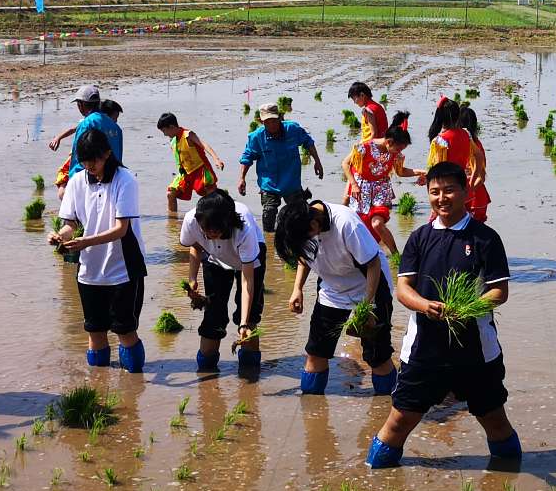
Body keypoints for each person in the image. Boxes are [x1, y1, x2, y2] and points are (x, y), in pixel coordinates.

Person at [368, 160, 520, 467]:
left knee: (494, 420)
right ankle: (375, 475)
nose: (442, 198)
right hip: (424, 349)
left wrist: (467, 309)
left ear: (466, 192)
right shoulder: (419, 238)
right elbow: (403, 289)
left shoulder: (485, 239)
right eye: (435, 192)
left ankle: (508, 481)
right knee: (399, 421)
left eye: (449, 190)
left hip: (476, 350)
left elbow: (499, 292)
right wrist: (425, 306)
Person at [274, 191, 396, 396]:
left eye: (307, 237)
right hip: (332, 290)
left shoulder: (347, 224)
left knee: (377, 355)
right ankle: (312, 407)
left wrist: (366, 305)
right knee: (316, 352)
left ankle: (386, 406)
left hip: (370, 286)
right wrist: (297, 289)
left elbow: (373, 264)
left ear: (314, 225)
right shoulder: (303, 226)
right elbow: (304, 258)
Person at [49, 126, 147, 373]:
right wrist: (59, 237)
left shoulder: (125, 180)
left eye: (93, 160)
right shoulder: (76, 181)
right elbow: (70, 224)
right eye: (84, 161)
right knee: (95, 332)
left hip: (123, 268)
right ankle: (98, 383)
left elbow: (121, 229)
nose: (89, 166)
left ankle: (133, 389)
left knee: (125, 331)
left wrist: (86, 242)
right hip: (90, 270)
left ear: (106, 154)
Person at [179, 189, 263, 374]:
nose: (209, 235)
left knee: (248, 318)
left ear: (227, 223)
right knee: (213, 315)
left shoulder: (244, 230)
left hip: (248, 261)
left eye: (215, 232)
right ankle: (206, 372)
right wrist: (192, 279)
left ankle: (250, 372)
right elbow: (196, 246)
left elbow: (247, 279)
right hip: (214, 258)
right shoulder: (192, 220)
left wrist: (243, 323)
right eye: (205, 231)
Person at [344, 112, 422, 254]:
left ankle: (396, 255)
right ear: (389, 142)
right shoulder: (364, 147)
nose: (399, 152)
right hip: (362, 190)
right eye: (398, 148)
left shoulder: (394, 154)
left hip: (381, 190)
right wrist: (353, 184)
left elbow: (400, 172)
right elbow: (345, 163)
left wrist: (420, 172)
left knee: (377, 224)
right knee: (360, 227)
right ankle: (363, 254)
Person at [236, 105, 323, 233]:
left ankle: (298, 240)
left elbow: (308, 142)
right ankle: (269, 242)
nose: (271, 124)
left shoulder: (293, 129)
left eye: (274, 120)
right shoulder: (256, 137)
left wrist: (317, 162)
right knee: (269, 212)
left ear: (280, 118)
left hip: (291, 182)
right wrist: (242, 178)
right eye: (267, 121)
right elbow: (247, 157)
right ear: (261, 122)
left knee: (300, 216)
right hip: (269, 183)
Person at [48, 85, 123, 187]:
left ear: (80, 104)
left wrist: (73, 181)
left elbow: (78, 156)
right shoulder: (116, 127)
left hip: (91, 180)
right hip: (113, 179)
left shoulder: (87, 124)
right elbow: (118, 157)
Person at [157, 112, 224, 213]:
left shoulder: (188, 135)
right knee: (171, 194)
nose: (164, 134)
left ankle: (223, 213)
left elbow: (204, 145)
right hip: (185, 173)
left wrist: (216, 159)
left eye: (164, 131)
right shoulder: (173, 140)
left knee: (211, 198)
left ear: (171, 127)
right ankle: (173, 223)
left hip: (200, 170)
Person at [458, 105, 492, 223]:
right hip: (478, 198)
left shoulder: (470, 147)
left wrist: (466, 194)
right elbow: (482, 177)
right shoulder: (477, 145)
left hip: (471, 200)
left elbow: (480, 177)